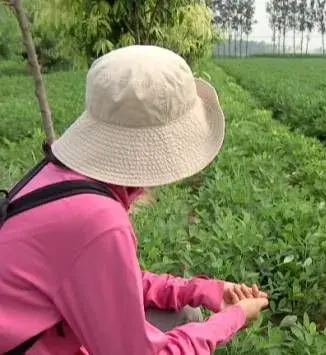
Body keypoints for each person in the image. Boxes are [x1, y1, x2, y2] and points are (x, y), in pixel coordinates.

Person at [0, 45, 269, 354]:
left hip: (43, 336)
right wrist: (231, 319)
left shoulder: (58, 175)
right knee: (186, 322)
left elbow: (111, 285)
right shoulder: (98, 221)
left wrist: (206, 290)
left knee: (184, 313)